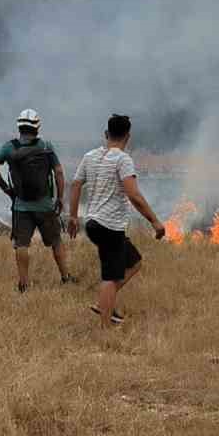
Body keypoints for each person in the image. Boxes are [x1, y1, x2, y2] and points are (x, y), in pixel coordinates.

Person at [66, 113, 167, 326]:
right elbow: (133, 195)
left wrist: (73, 217)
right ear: (128, 137)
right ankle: (105, 328)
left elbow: (75, 185)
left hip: (93, 223)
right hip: (109, 226)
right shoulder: (123, 160)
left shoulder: (90, 156)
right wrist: (155, 221)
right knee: (111, 276)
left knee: (134, 262)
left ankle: (105, 303)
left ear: (106, 134)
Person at [0, 108, 74, 292]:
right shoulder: (46, 146)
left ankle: (24, 284)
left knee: (21, 244)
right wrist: (59, 198)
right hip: (44, 204)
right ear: (37, 127)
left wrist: (6, 189)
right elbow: (59, 172)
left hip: (20, 206)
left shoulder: (9, 147)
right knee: (56, 241)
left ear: (19, 126)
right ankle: (66, 277)